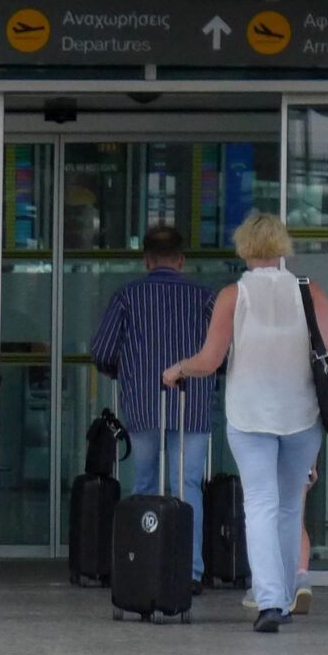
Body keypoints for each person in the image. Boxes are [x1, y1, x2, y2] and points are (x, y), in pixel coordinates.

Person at [166, 213, 328, 634]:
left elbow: (209, 361)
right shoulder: (308, 290)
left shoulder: (234, 295)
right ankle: (280, 595)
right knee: (287, 507)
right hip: (302, 417)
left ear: (244, 247)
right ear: (282, 246)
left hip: (250, 417)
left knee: (260, 505)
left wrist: (177, 369)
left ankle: (269, 603)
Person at [90, 224, 217, 587]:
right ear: (181, 259)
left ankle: (140, 563)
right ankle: (189, 572)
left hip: (143, 406)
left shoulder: (127, 297)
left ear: (146, 260)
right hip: (193, 407)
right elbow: (225, 351)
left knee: (144, 484)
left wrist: (124, 372)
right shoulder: (205, 298)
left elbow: (102, 351)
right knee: (187, 486)